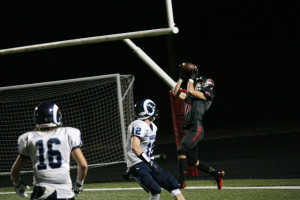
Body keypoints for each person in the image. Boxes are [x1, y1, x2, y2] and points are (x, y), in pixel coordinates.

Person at [10, 102, 88, 200]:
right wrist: (79, 184)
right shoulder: (69, 133)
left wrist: (17, 184)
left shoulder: (28, 138)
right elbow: (83, 165)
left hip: (41, 193)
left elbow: (15, 171)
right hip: (65, 193)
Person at [172, 64, 225, 190]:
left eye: (201, 82)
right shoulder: (193, 95)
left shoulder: (207, 94)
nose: (198, 83)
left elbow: (190, 90)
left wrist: (191, 78)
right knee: (192, 160)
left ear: (208, 85)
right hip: (189, 129)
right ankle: (216, 174)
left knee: (181, 150)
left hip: (196, 127)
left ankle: (181, 181)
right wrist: (181, 78)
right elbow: (175, 93)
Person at [126, 99, 185, 200]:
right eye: (153, 109)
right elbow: (135, 147)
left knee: (173, 185)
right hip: (138, 164)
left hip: (149, 162)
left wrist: (150, 162)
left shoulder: (153, 127)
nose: (155, 111)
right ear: (148, 110)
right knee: (155, 190)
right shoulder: (139, 125)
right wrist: (149, 162)